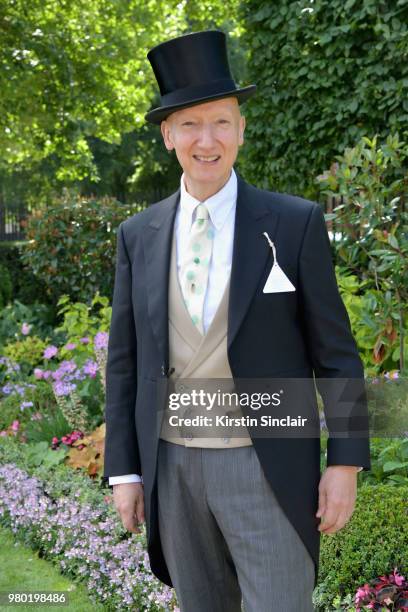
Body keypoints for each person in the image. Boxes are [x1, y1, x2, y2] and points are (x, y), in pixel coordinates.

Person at [103, 30, 371, 612]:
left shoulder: (294, 224)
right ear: (168, 135)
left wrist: (345, 460)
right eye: (191, 124)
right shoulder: (137, 236)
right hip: (172, 471)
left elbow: (337, 353)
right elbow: (124, 364)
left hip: (266, 463)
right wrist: (124, 470)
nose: (208, 139)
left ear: (241, 129)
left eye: (222, 122)